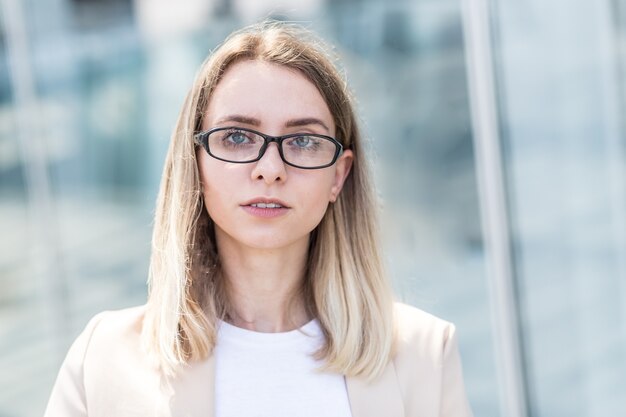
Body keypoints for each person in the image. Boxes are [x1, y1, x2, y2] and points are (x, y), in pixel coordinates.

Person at [44, 21, 473, 417]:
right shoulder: (105, 358)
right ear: (195, 163)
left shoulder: (424, 355)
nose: (270, 168)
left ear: (338, 176)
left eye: (303, 140)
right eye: (236, 137)